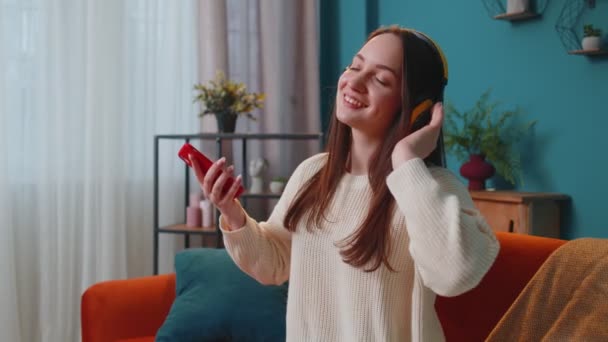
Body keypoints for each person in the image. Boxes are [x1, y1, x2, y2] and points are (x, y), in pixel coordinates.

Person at [190, 25, 500, 342]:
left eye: (380, 79)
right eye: (355, 65)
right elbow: (274, 262)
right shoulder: (314, 172)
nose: (354, 81)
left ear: (416, 109)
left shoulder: (430, 188)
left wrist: (406, 160)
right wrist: (231, 211)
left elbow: (454, 275)